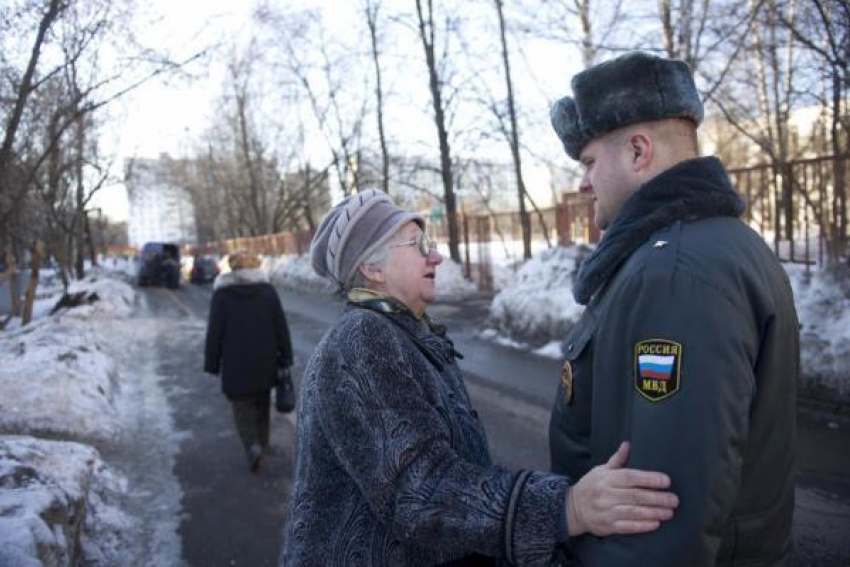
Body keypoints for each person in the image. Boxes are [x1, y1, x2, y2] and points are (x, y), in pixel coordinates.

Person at [280, 189, 680, 566]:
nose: (434, 257)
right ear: (371, 267)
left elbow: (460, 466)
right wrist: (567, 508)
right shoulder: (361, 339)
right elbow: (421, 491)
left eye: (430, 244)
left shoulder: (403, 332)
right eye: (418, 246)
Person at [547, 51, 799, 566]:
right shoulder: (709, 247)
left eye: (590, 162)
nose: (583, 183)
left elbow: (663, 512)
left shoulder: (677, 272)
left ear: (638, 151)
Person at [204, 250, 294, 473]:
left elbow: (214, 332)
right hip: (265, 361)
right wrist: (286, 355)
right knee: (262, 404)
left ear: (233, 268)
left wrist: (212, 363)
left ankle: (252, 446)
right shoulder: (267, 291)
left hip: (235, 364)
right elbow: (280, 326)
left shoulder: (222, 295)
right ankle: (262, 443)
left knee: (242, 408)